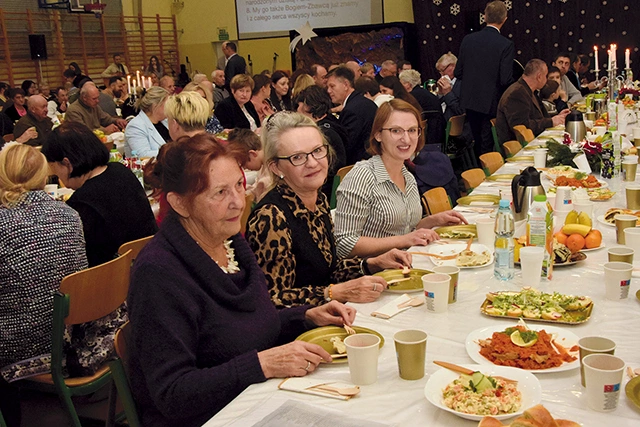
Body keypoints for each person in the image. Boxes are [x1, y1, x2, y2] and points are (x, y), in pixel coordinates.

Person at [127, 133, 356, 427]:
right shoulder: (159, 273)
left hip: (254, 397)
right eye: (220, 193)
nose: (238, 202)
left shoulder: (229, 240)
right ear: (180, 204)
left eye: (239, 185)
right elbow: (172, 393)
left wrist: (306, 316)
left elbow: (247, 327)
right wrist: (261, 364)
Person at [0, 143, 125, 425]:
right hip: (77, 334)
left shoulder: (3, 225)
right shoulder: (69, 214)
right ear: (44, 176)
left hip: (29, 344)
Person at [246, 112, 412, 308]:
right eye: (297, 157)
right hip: (300, 332)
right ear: (276, 167)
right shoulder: (271, 217)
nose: (313, 163)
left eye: (317, 151)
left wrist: (372, 263)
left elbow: (329, 270)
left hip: (331, 314)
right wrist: (332, 293)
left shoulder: (319, 201)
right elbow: (271, 300)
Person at [334, 99, 467, 258]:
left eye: (412, 130)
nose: (406, 139)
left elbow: (406, 229)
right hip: (375, 275)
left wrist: (433, 220)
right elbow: (344, 244)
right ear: (378, 134)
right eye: (396, 131)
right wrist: (403, 240)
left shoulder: (407, 176)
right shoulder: (362, 176)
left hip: (405, 264)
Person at [42, 122, 157, 266]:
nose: (55, 174)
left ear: (67, 164)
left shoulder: (82, 203)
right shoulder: (121, 171)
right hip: (149, 261)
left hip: (114, 277)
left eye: (53, 167)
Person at [454, 0, 514, 157]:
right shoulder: (505, 44)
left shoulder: (468, 40)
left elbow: (458, 72)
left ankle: (477, 173)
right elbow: (505, 79)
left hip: (470, 100)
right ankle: (486, 172)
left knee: (477, 140)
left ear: (485, 17)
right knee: (487, 144)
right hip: (491, 101)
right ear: (505, 19)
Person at [496, 59, 570, 144]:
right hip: (520, 147)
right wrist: (551, 121)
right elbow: (522, 127)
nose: (547, 80)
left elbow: (539, 118)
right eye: (546, 76)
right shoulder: (516, 93)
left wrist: (557, 117)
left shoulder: (529, 90)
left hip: (533, 140)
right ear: (539, 77)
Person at [295, 85, 348, 198]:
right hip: (338, 187)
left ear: (308, 108)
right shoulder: (333, 122)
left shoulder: (321, 134)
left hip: (325, 192)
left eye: (299, 109)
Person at [326, 66, 378, 165]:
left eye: (332, 86)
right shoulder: (360, 102)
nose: (328, 91)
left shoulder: (352, 110)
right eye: (328, 87)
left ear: (346, 85)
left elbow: (347, 147)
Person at [226, 128, 270, 202]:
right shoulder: (263, 166)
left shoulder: (268, 177)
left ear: (252, 154)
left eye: (244, 163)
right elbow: (255, 189)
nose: (244, 167)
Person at [124, 87, 170, 157]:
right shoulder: (135, 126)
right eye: (168, 104)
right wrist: (173, 152)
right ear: (156, 105)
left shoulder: (165, 121)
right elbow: (143, 155)